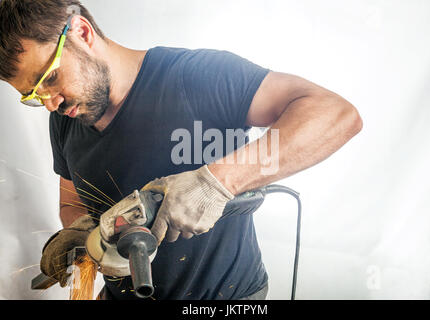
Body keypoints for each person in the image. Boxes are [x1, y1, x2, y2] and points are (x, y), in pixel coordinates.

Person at [0, 0, 362, 300]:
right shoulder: (66, 116)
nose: (50, 103)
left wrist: (216, 181)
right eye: (33, 96)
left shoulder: (196, 77)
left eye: (50, 78)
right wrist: (82, 232)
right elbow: (73, 201)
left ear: (81, 32)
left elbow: (335, 113)